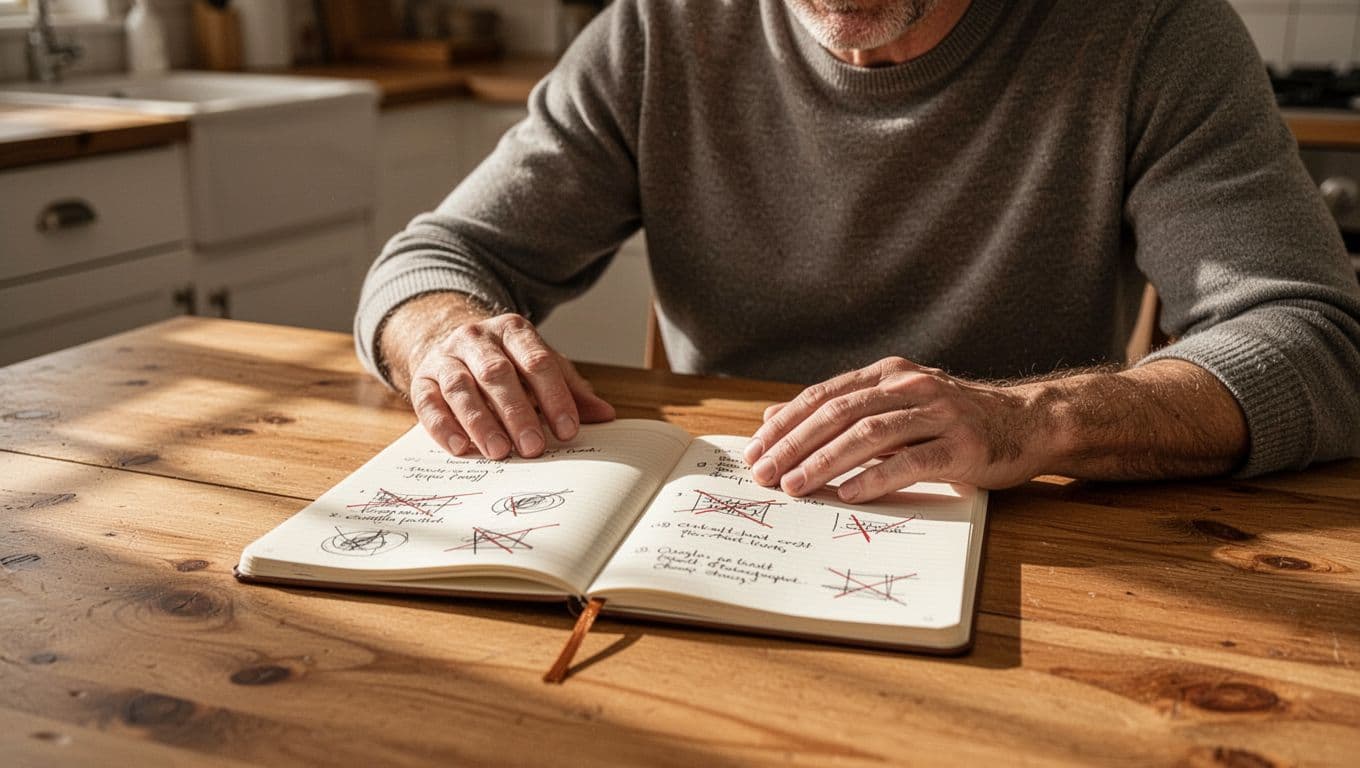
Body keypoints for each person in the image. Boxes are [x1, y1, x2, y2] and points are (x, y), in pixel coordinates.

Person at [357, 0, 1360, 503]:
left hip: (1019, 548)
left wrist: (1029, 419)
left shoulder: (1150, 32)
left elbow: (1314, 342)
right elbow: (432, 260)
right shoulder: (659, 28)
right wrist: (446, 336)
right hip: (720, 523)